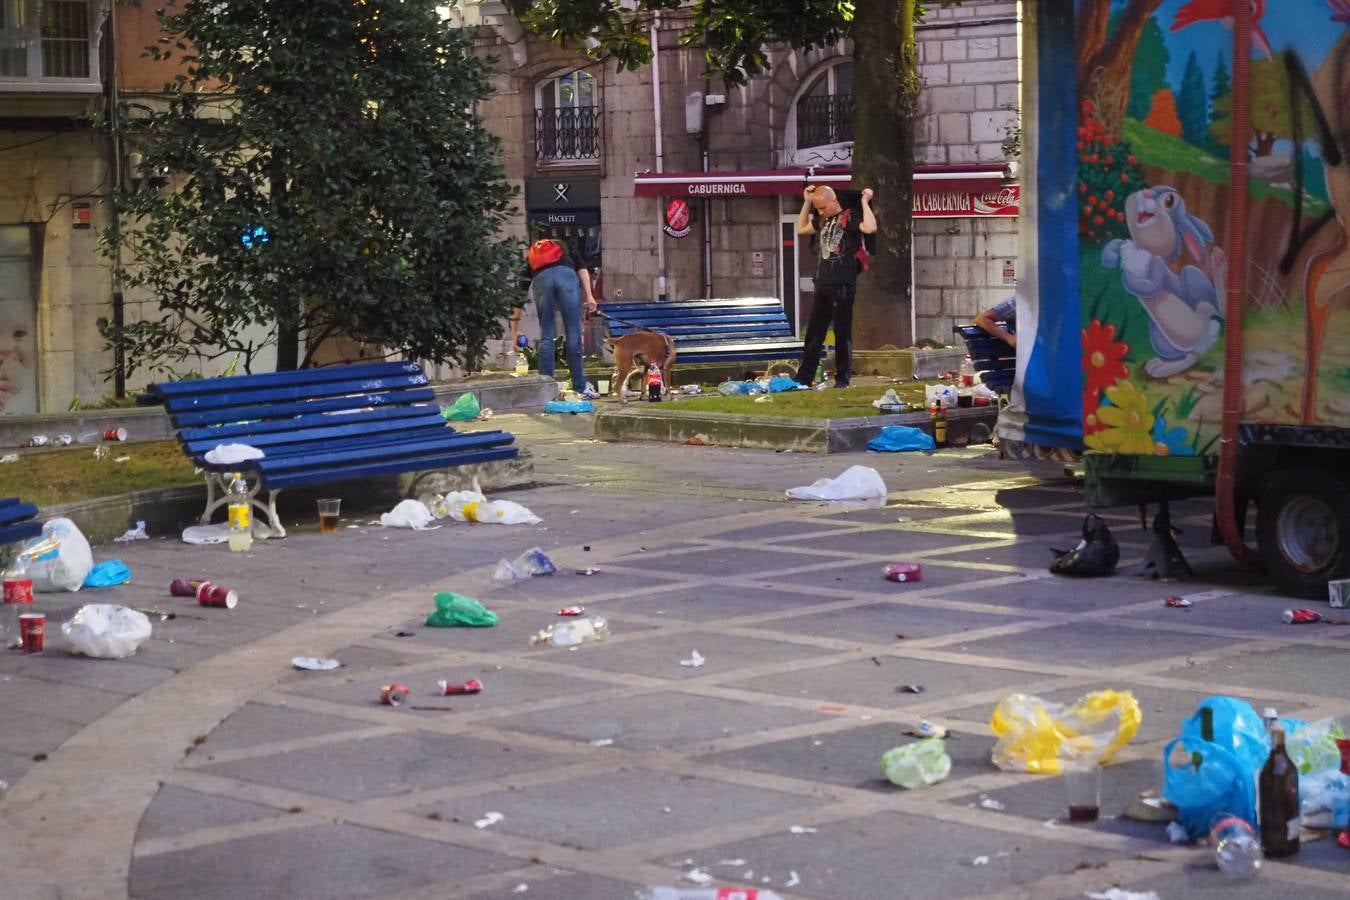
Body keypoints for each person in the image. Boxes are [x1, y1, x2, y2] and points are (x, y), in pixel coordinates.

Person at [795, 184, 877, 388]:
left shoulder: (849, 217)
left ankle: (842, 379)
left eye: (823, 207)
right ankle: (805, 377)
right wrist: (807, 202)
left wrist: (865, 203)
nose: (820, 212)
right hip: (822, 282)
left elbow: (870, 228)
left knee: (842, 333)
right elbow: (801, 228)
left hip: (843, 283)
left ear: (834, 201)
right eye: (818, 209)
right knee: (814, 334)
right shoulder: (823, 219)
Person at [511, 238, 597, 393]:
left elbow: (519, 295)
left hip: (541, 279)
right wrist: (589, 295)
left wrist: (514, 332)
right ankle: (580, 387)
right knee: (573, 331)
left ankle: (546, 388)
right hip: (567, 277)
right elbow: (582, 269)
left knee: (546, 333)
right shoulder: (566, 245)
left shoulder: (531, 256)